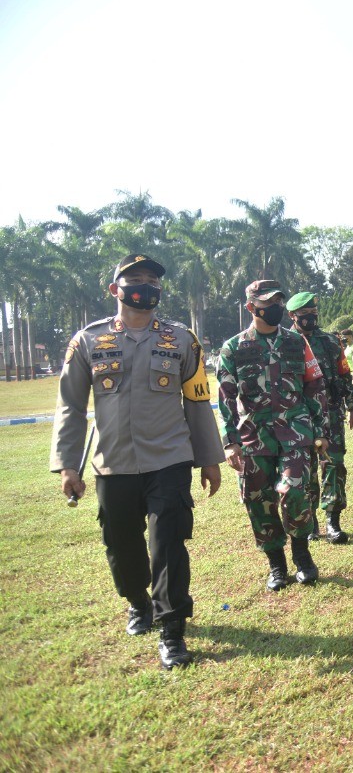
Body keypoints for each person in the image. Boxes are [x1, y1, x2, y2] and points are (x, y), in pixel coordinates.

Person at [50, 253, 223, 669]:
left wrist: (209, 459)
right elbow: (71, 405)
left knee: (168, 546)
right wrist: (68, 464)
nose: (145, 286)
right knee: (122, 548)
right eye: (135, 279)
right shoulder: (88, 341)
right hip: (113, 464)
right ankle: (138, 602)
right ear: (116, 290)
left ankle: (171, 630)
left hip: (170, 460)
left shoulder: (183, 340)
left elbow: (198, 402)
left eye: (152, 280)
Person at [218, 280, 329, 591]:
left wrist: (319, 431)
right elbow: (225, 397)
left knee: (295, 491)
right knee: (258, 501)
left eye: (280, 302)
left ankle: (303, 556)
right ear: (252, 307)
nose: (277, 308)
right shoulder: (234, 347)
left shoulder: (297, 343)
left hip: (295, 431)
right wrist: (230, 442)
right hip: (254, 436)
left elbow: (315, 386)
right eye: (269, 303)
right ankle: (276, 565)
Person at [287, 292, 353, 544]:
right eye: (305, 315)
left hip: (331, 413)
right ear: (293, 316)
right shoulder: (286, 342)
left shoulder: (330, 341)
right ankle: (311, 520)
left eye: (314, 313)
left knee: (334, 465)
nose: (311, 318)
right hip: (299, 416)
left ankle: (332, 520)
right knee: (306, 468)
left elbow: (344, 375)